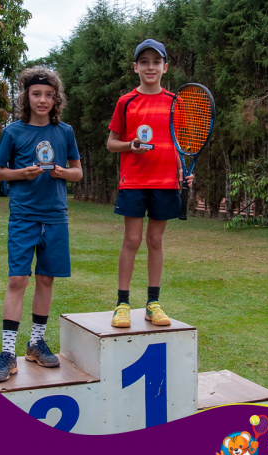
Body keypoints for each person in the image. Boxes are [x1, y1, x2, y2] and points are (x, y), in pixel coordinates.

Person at [0, 66, 82, 382]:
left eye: (49, 95)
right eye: (37, 94)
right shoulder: (13, 132)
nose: (43, 100)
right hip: (24, 217)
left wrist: (62, 172)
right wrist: (21, 174)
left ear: (56, 100)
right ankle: (7, 353)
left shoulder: (65, 132)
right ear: (26, 97)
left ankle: (36, 344)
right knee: (17, 280)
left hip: (55, 217)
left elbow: (78, 172)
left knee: (46, 279)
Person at [107, 39, 194, 328]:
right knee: (132, 240)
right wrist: (130, 145)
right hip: (133, 181)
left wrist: (184, 170)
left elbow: (178, 144)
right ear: (135, 67)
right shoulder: (126, 102)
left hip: (165, 182)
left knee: (155, 240)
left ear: (165, 67)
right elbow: (111, 143)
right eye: (144, 62)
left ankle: (152, 304)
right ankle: (122, 304)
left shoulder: (175, 102)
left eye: (156, 62)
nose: (150, 67)